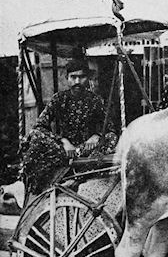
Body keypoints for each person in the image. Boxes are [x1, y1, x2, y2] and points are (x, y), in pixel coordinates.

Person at [21, 57, 117, 196]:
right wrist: (63, 141)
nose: (77, 82)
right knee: (35, 136)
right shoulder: (58, 99)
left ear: (87, 78)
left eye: (81, 77)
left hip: (87, 149)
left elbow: (110, 129)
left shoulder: (96, 101)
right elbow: (39, 126)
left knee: (111, 137)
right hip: (63, 151)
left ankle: (81, 175)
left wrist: (96, 136)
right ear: (67, 78)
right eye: (73, 77)